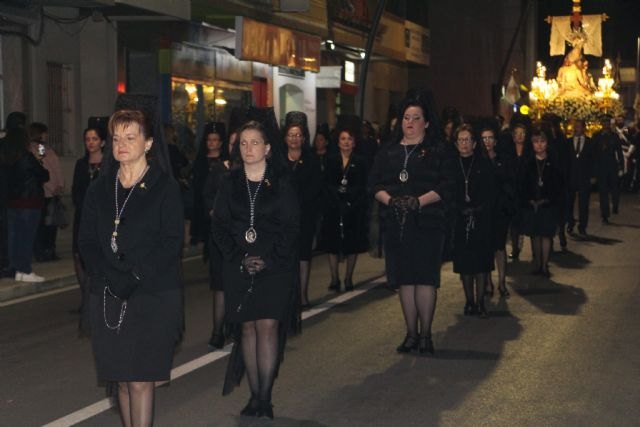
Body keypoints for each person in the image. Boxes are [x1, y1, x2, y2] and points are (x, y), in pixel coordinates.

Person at [78, 98, 184, 427]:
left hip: (153, 294)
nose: (122, 145)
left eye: (131, 137)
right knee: (122, 380)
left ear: (148, 143)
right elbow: (87, 242)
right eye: (117, 138)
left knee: (140, 380)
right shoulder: (99, 189)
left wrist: (135, 274)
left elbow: (171, 243)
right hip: (108, 294)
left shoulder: (164, 188)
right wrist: (108, 274)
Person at [211, 120, 299, 419]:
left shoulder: (281, 181)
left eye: (255, 143)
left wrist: (269, 259)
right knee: (247, 328)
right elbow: (219, 226)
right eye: (244, 143)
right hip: (238, 264)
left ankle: (266, 397)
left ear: (268, 148)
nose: (248, 148)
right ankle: (253, 395)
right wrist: (239, 257)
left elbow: (291, 227)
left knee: (268, 326)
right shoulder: (229, 182)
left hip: (275, 265)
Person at [369, 90, 456, 354]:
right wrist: (391, 201)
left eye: (416, 118)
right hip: (398, 223)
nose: (410, 122)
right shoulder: (389, 152)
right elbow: (375, 184)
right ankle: (411, 334)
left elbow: (446, 185)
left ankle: (427, 334)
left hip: (428, 223)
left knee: (425, 279)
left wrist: (419, 201)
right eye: (406, 117)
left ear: (426, 122)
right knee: (405, 279)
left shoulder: (438, 151)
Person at [191, 122, 229, 350]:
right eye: (209, 140)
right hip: (214, 224)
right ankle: (218, 330)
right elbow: (202, 192)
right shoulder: (207, 165)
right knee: (220, 283)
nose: (212, 143)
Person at [452, 124, 496, 318]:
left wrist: (478, 209)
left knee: (481, 262)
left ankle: (480, 302)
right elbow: (449, 192)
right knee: (465, 263)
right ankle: (469, 300)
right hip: (460, 219)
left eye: (467, 140)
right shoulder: (451, 166)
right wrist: (459, 209)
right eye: (460, 140)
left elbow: (491, 193)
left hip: (481, 218)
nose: (464, 144)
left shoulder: (483, 165)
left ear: (474, 143)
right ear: (456, 143)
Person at [319, 120, 369, 292]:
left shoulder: (361, 161)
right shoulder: (331, 160)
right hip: (333, 207)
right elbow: (326, 184)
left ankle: (348, 278)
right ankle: (334, 278)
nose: (346, 142)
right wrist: (336, 197)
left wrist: (350, 198)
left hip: (353, 208)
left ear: (354, 142)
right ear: (338, 142)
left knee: (352, 244)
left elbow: (363, 185)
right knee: (332, 244)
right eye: (343, 139)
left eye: (349, 139)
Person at [283, 111, 322, 309]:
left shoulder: (312, 160)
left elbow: (315, 189)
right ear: (285, 138)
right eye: (291, 135)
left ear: (304, 137)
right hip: (282, 218)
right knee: (285, 257)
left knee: (303, 257)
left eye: (298, 135)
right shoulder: (278, 161)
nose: (294, 139)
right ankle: (287, 295)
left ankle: (303, 294)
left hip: (305, 216)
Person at [5, 125, 49, 282]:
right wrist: (39, 162)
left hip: (12, 202)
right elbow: (43, 175)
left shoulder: (7, 157)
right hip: (29, 202)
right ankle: (25, 269)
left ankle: (16, 268)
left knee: (15, 238)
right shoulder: (26, 157)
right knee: (27, 237)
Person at [71, 126, 105, 315]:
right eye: (87, 139)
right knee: (78, 255)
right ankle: (86, 297)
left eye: (94, 138)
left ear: (102, 141)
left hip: (101, 218)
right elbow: (76, 189)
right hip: (82, 216)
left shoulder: (109, 164)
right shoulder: (80, 164)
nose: (91, 142)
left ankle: (98, 297)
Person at [521, 127, 563, 277]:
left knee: (546, 235)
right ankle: (537, 263)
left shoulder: (553, 161)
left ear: (547, 143)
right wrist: (530, 200)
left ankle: (545, 265)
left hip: (548, 205)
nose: (539, 145)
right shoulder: (528, 162)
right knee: (535, 235)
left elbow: (558, 185)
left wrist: (548, 199)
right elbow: (523, 184)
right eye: (536, 142)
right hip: (531, 205)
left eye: (542, 141)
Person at [481, 126, 515, 298]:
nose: (487, 141)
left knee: (499, 247)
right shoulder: (478, 161)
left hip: (500, 209)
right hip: (484, 210)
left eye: (490, 138)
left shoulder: (503, 159)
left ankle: (502, 281)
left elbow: (509, 182)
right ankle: (487, 282)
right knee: (486, 248)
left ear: (495, 141)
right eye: (484, 138)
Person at [28, 122, 65, 262]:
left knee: (52, 224)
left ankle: (50, 250)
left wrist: (60, 184)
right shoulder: (36, 149)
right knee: (44, 225)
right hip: (46, 193)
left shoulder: (46, 149)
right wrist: (52, 187)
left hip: (53, 191)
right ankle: (43, 251)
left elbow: (56, 168)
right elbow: (43, 169)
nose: (46, 135)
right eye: (44, 133)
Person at [1, 112, 28, 277]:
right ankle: (12, 264)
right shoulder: (23, 149)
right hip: (18, 196)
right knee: (15, 233)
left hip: (6, 193)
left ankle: (6, 264)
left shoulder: (4, 144)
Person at [566, 118, 595, 235]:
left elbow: (593, 160)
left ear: (584, 128)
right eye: (575, 126)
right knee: (569, 203)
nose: (576, 128)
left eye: (578, 126)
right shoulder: (568, 142)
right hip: (571, 177)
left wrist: (593, 175)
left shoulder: (590, 142)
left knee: (583, 203)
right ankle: (570, 222)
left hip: (584, 177)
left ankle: (582, 226)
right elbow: (565, 160)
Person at [594, 116, 624, 223]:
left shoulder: (614, 136)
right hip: (601, 167)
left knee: (614, 189)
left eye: (607, 122)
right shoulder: (596, 136)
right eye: (604, 122)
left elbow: (619, 152)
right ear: (601, 124)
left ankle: (615, 204)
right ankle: (605, 214)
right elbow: (593, 154)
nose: (606, 124)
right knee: (603, 192)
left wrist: (621, 166)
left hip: (612, 166)